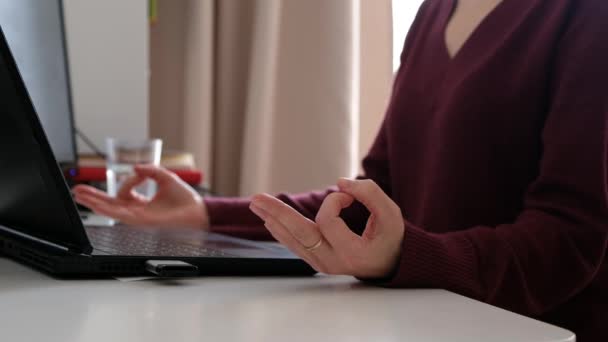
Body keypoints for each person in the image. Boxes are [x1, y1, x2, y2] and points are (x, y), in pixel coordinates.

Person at [73, 0, 608, 339]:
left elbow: (570, 239)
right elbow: (371, 201)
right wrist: (202, 216)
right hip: (423, 321)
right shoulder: (433, 13)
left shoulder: (587, 17)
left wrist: (406, 256)